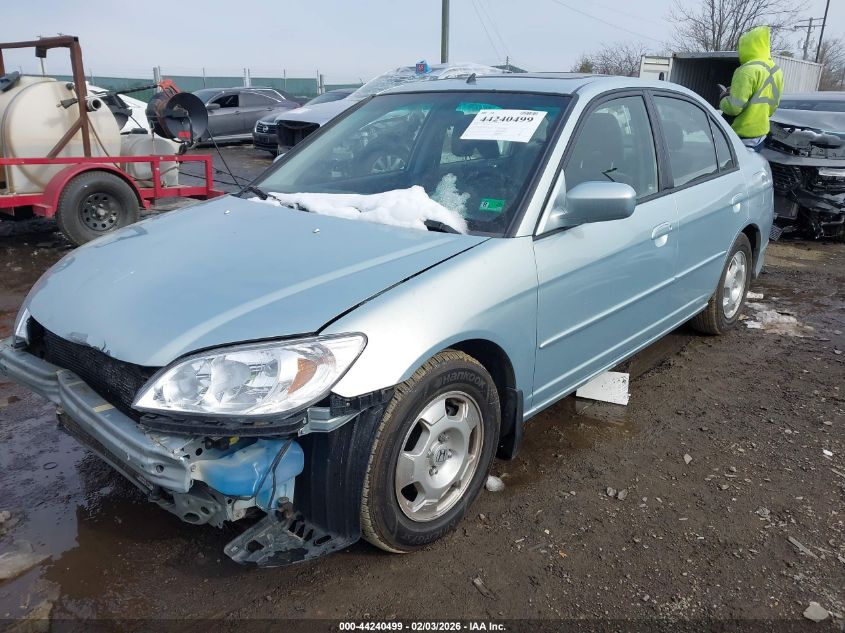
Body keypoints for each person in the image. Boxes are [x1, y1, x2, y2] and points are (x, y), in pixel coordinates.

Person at [719, 26, 784, 151]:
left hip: (741, 136)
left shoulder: (746, 70)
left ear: (747, 46)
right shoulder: (777, 71)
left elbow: (733, 108)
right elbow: (771, 109)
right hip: (761, 136)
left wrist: (723, 98)